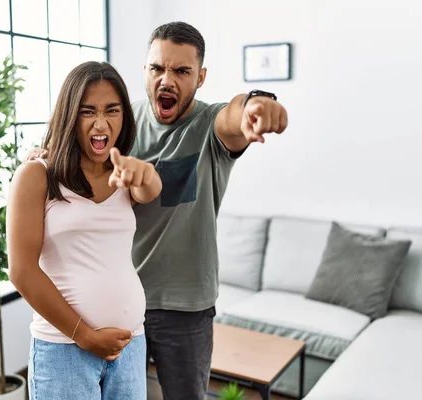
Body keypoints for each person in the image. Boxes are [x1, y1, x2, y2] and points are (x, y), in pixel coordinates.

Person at [28, 21, 288, 400]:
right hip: (119, 305)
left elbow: (234, 115)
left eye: (181, 71)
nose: (167, 80)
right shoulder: (121, 123)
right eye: (157, 68)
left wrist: (256, 104)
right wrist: (43, 152)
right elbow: (81, 138)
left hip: (184, 306)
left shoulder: (208, 127)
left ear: (200, 77)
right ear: (145, 71)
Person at [6, 61, 162, 400]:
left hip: (130, 345)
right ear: (69, 115)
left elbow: (150, 189)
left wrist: (144, 173)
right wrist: (85, 336)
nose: (101, 123)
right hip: (64, 349)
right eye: (87, 111)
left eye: (112, 110)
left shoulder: (123, 173)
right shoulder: (37, 176)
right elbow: (21, 271)